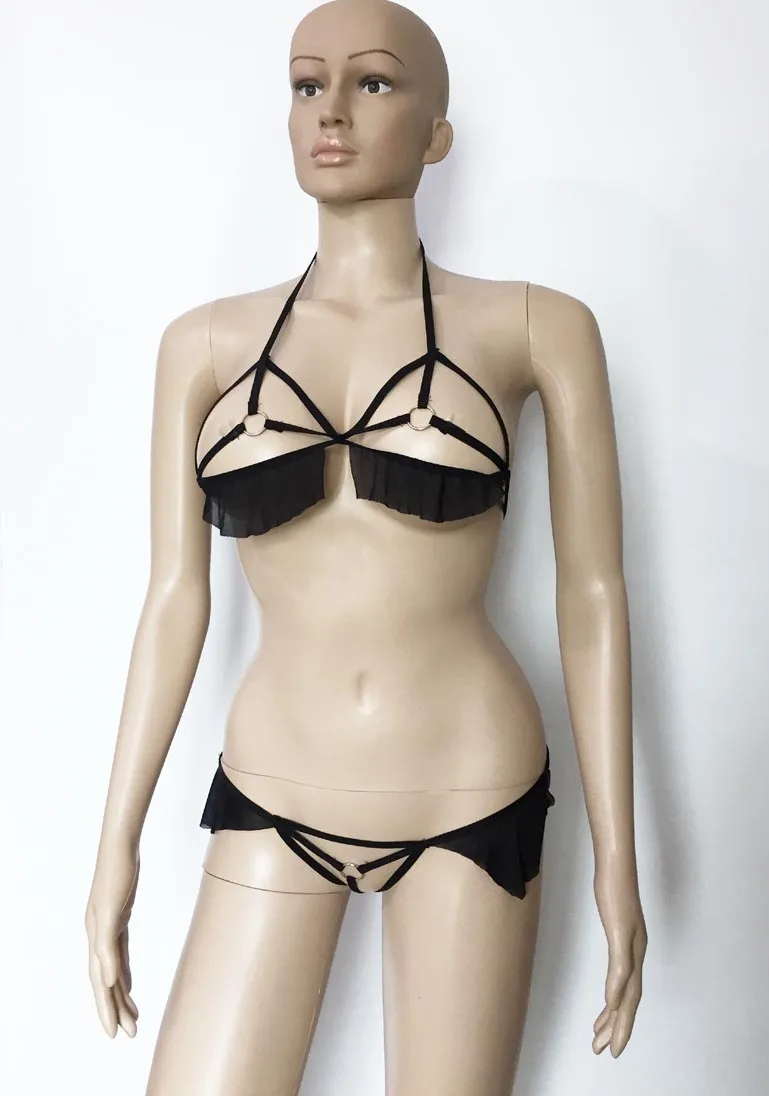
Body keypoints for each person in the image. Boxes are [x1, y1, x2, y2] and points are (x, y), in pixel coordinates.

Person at [85, 1, 647, 1092]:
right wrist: (118, 841)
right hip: (271, 785)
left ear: (438, 134)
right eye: (307, 84)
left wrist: (620, 861)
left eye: (373, 82)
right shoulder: (203, 345)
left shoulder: (537, 326)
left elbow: (593, 595)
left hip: (468, 791)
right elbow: (172, 600)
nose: (330, 110)